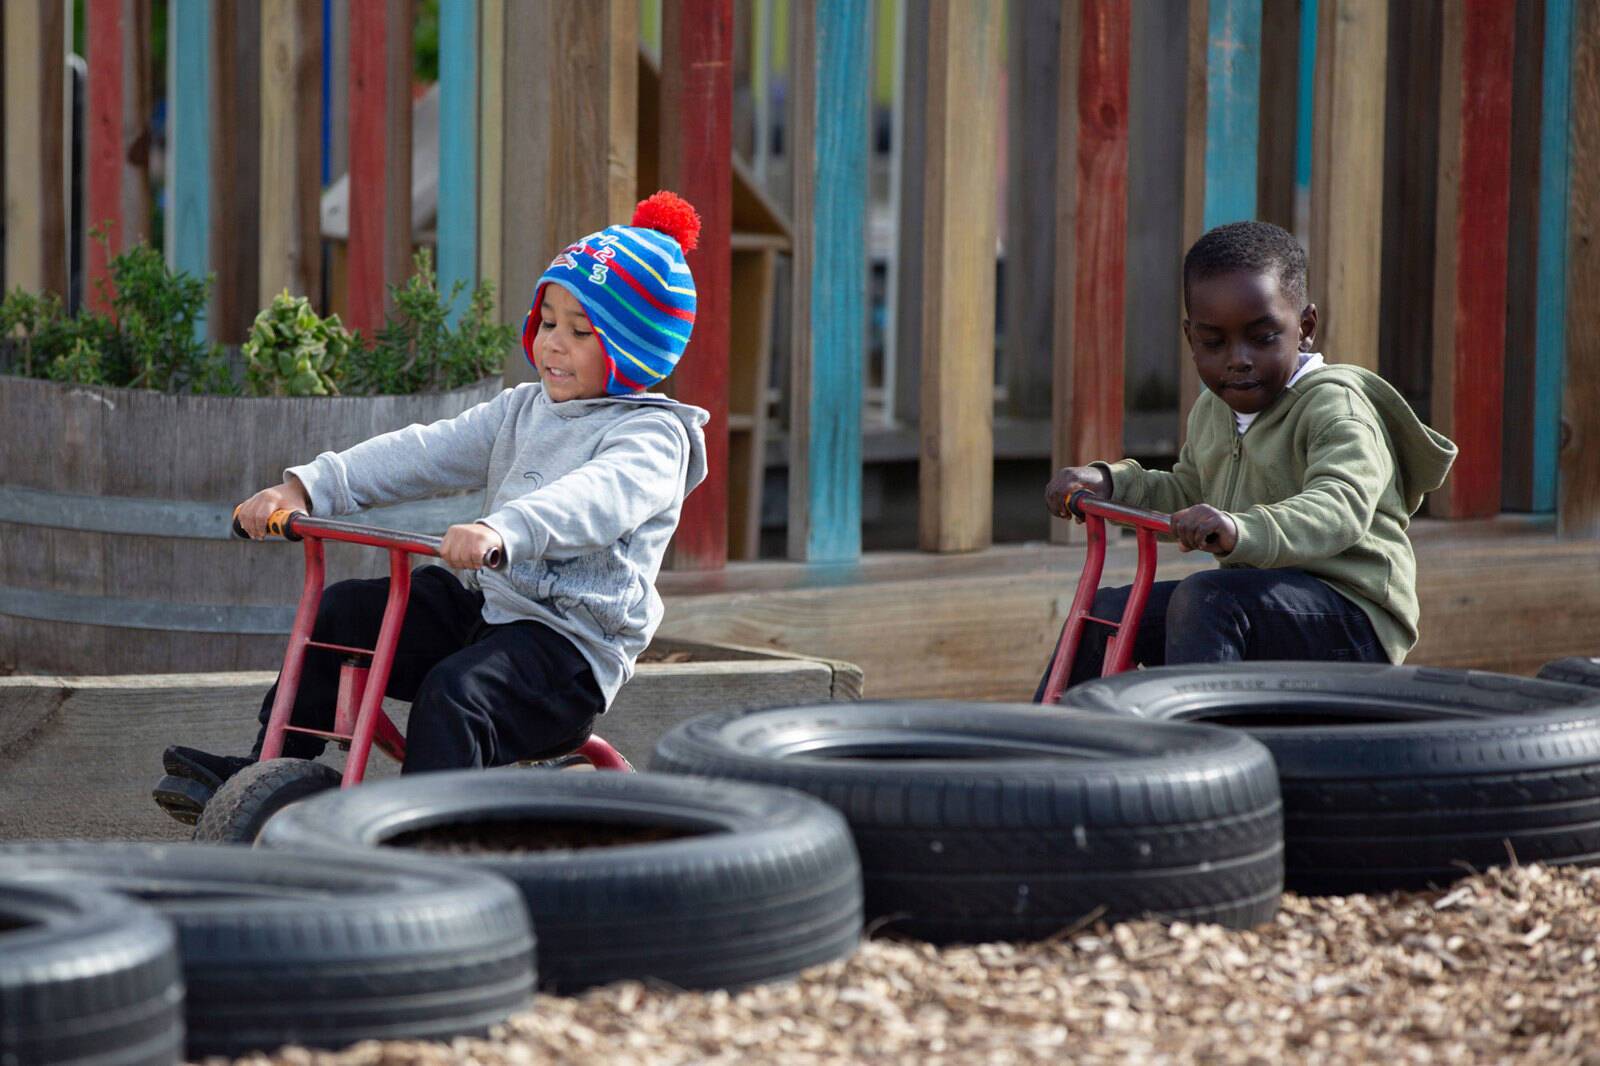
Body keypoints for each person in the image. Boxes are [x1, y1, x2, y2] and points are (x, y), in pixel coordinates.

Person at [154, 191, 710, 822]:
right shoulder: (522, 409)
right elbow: (426, 451)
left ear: (637, 349)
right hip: (489, 610)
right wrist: (309, 487)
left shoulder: (651, 440)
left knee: (456, 694)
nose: (554, 343)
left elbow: (595, 500)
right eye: (548, 321)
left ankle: (424, 841)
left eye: (582, 331)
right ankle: (268, 775)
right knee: (341, 613)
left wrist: (503, 529)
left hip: (566, 653)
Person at [1037, 219, 1457, 698]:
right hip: (1259, 603)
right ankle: (1047, 748)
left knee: (1206, 599)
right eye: (1214, 343)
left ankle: (1203, 752)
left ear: (1305, 328)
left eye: (1262, 337)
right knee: (1110, 607)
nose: (1237, 360)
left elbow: (1340, 508)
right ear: (1190, 337)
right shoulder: (1215, 410)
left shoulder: (1336, 409)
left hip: (1352, 620)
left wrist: (1242, 529)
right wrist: (1111, 483)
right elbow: (1190, 488)